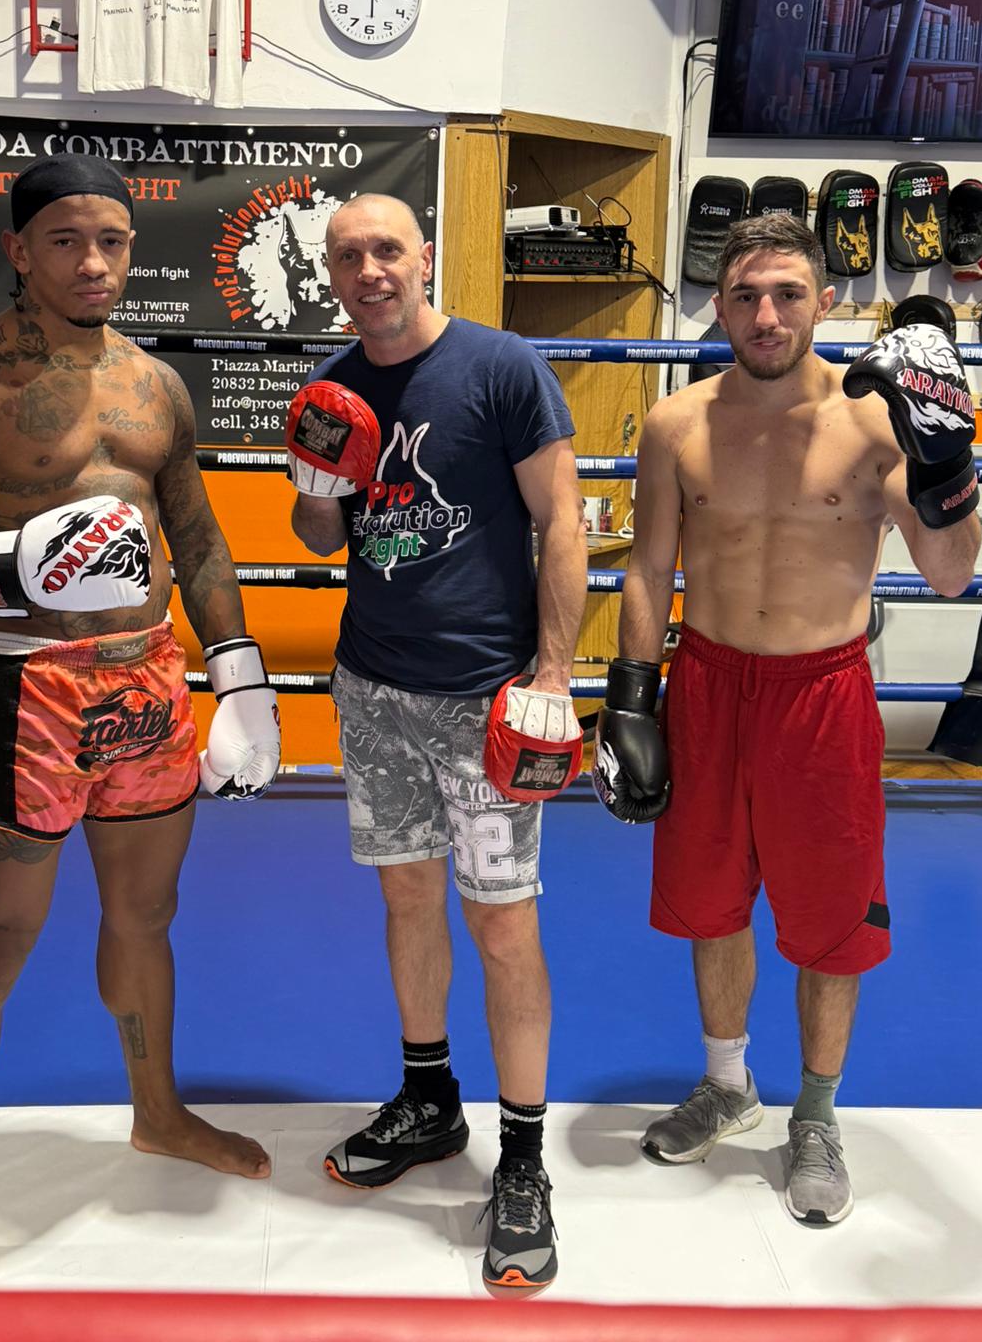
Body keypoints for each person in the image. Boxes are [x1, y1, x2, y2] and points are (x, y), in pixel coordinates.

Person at [0, 155, 281, 1289]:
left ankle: (158, 1113)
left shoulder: (156, 385)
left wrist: (238, 673)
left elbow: (196, 535)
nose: (94, 262)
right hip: (29, 687)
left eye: (112, 241)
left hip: (149, 683)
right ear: (18, 250)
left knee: (148, 916)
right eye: (66, 241)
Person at [595, 212, 981, 1225]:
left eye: (788, 294)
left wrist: (949, 464)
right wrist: (631, 695)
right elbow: (649, 568)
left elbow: (951, 574)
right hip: (708, 685)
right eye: (746, 297)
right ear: (720, 307)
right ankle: (728, 1084)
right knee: (708, 901)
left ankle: (815, 1113)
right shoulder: (677, 423)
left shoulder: (875, 424)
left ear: (825, 300)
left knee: (832, 921)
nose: (766, 316)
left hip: (823, 694)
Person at [285, 194, 587, 1291]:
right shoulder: (330, 389)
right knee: (407, 899)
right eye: (345, 256)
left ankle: (524, 1158)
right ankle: (429, 1098)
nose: (367, 270)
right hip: (373, 689)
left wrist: (553, 676)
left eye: (385, 250)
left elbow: (562, 521)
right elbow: (320, 538)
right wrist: (319, 487)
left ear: (423, 258)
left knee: (503, 924)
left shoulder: (501, 367)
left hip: (482, 698)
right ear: (330, 274)